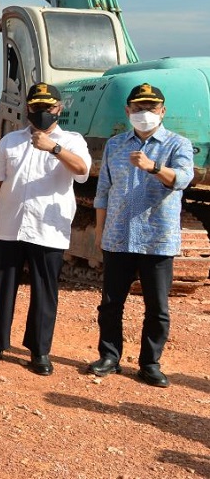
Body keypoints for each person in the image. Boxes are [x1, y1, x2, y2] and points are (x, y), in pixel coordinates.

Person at [0, 83, 90, 375]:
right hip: (10, 226)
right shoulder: (10, 141)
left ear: (59, 109)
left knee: (44, 292)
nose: (42, 112)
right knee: (2, 289)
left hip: (48, 229)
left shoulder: (72, 140)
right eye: (36, 107)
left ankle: (39, 351)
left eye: (47, 107)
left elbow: (81, 170)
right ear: (28, 108)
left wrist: (54, 148)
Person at [86, 83, 193, 388]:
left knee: (157, 308)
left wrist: (153, 167)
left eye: (150, 108)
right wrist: (100, 230)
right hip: (118, 236)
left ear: (163, 111)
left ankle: (150, 363)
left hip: (157, 239)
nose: (144, 113)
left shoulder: (177, 144)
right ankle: (109, 356)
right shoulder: (116, 145)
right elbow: (103, 190)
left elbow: (183, 179)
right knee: (110, 304)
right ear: (127, 111)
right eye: (138, 108)